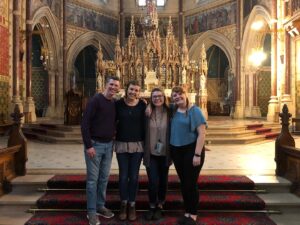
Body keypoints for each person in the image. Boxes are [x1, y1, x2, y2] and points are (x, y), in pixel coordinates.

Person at [81, 76, 120, 225]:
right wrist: (88, 145)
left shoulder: (114, 103)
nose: (113, 88)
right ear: (106, 84)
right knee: (92, 180)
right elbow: (84, 124)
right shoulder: (95, 100)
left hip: (109, 145)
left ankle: (100, 206)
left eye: (116, 86)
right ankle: (91, 212)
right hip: (95, 146)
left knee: (103, 179)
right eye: (111, 84)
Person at [170, 86, 206, 225]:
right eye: (175, 95)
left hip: (192, 151)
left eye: (180, 94)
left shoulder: (194, 111)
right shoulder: (173, 110)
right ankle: (187, 211)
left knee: (190, 183)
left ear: (185, 95)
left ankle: (193, 214)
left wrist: (197, 154)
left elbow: (202, 133)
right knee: (184, 183)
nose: (177, 97)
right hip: (177, 151)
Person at [115, 80, 147, 221]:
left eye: (136, 90)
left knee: (133, 176)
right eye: (131, 89)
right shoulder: (117, 104)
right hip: (122, 144)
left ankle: (132, 204)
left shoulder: (142, 105)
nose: (133, 92)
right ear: (126, 89)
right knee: (123, 176)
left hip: (138, 145)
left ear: (139, 92)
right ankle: (123, 203)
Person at [143, 88, 171, 221]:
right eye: (154, 97)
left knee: (163, 180)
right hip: (151, 153)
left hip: (165, 153)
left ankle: (160, 205)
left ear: (164, 97)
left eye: (160, 96)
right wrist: (147, 105)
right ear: (151, 99)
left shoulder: (171, 111)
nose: (157, 98)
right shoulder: (147, 112)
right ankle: (152, 205)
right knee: (153, 181)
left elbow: (185, 105)